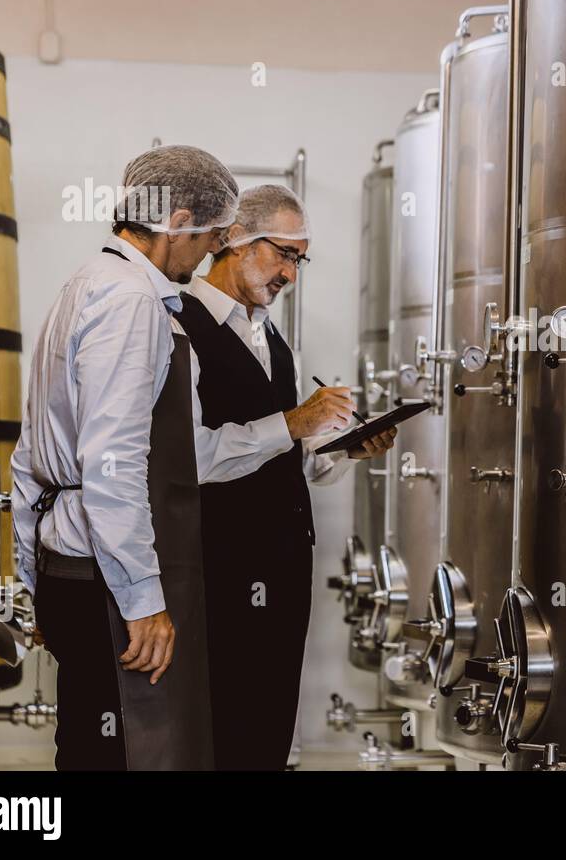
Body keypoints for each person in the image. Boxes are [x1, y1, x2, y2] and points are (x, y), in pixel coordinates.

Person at [11, 146, 358, 770]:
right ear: (178, 218)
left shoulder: (86, 283)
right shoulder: (133, 303)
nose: (208, 253)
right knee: (114, 752)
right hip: (102, 573)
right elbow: (115, 466)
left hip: (71, 561)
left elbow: (27, 458)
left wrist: (27, 580)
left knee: (94, 745)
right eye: (209, 236)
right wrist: (145, 602)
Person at [173, 184, 394, 770]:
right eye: (285, 254)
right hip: (216, 570)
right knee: (221, 727)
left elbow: (284, 455)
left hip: (283, 569)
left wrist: (344, 447)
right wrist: (295, 420)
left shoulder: (272, 340)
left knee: (267, 727)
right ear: (234, 241)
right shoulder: (178, 329)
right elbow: (191, 458)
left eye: (301, 259)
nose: (291, 275)